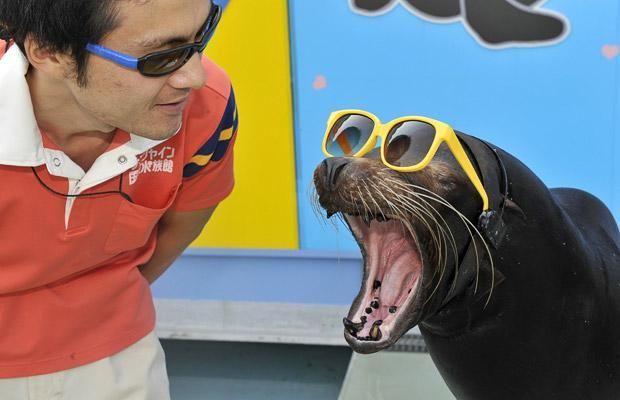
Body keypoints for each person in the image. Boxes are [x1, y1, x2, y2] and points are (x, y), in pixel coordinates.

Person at [0, 0, 238, 398]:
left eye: (202, 37)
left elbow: (176, 234)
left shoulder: (207, 110)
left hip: (120, 359)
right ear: (49, 52)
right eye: (159, 57)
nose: (194, 77)